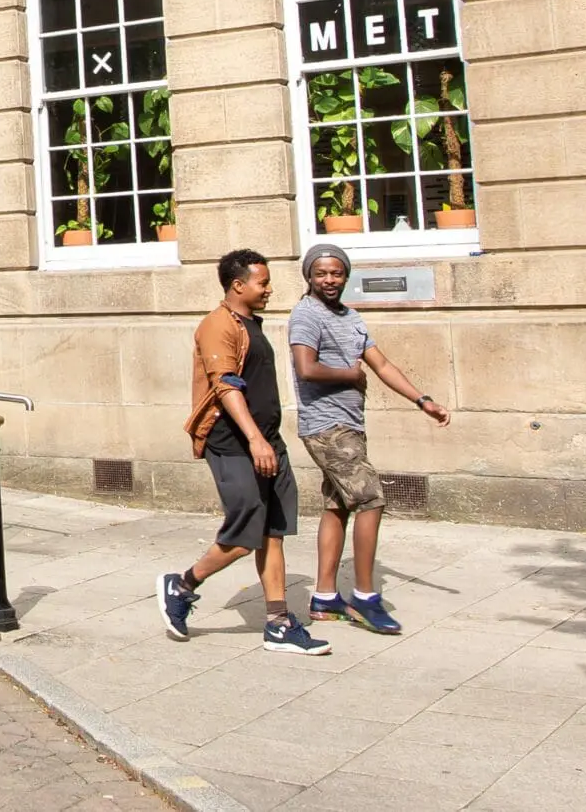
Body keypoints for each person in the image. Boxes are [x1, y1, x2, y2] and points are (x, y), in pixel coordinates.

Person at [160, 249, 331, 655]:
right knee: (245, 532)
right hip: (233, 444)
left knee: (273, 532)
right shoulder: (217, 326)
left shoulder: (250, 324)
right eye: (263, 282)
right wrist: (254, 440)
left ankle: (278, 623)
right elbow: (226, 386)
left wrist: (268, 439)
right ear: (238, 285)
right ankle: (182, 585)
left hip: (268, 442)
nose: (269, 289)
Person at [289, 241, 450, 635]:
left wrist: (421, 399)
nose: (329, 279)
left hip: (349, 425)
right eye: (321, 273)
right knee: (371, 499)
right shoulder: (306, 315)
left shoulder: (350, 317)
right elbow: (305, 367)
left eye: (336, 273)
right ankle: (365, 597)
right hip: (327, 427)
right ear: (309, 276)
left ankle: (325, 597)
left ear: (346, 275)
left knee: (338, 505)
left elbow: (382, 363)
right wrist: (350, 375)